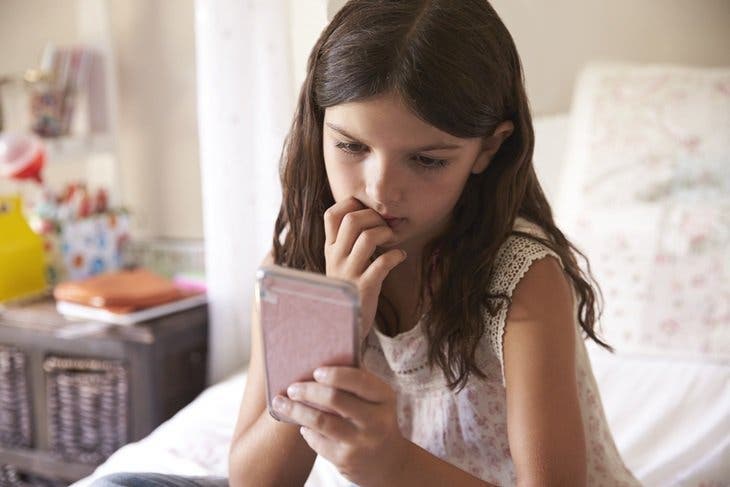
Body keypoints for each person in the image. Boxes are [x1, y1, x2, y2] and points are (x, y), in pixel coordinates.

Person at [95, 0, 641, 485]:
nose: (380, 189)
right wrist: (333, 328)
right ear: (319, 125)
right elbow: (256, 480)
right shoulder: (300, 263)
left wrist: (390, 464)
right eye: (352, 146)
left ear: (487, 151)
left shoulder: (523, 279)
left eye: (427, 159)